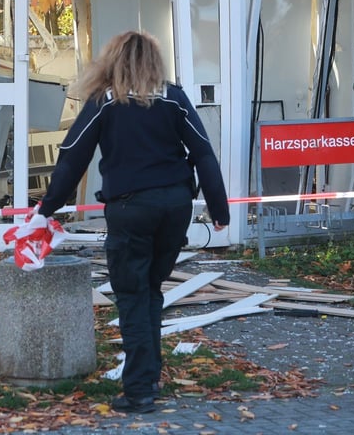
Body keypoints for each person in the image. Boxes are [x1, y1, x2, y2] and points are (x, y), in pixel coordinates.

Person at [37, 30, 230, 414]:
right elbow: (204, 153)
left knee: (132, 294)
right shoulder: (174, 98)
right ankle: (149, 374)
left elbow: (73, 155)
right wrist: (220, 210)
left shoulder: (104, 102)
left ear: (113, 61)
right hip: (175, 206)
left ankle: (140, 389)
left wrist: (46, 208)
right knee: (151, 289)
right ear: (154, 62)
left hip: (129, 208)